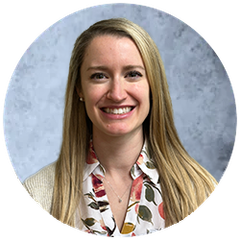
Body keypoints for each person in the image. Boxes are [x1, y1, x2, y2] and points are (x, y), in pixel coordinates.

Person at [23, 18, 218, 238]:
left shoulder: (200, 191)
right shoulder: (38, 194)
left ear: (153, 85)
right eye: (99, 76)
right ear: (79, 88)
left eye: (132, 74)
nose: (116, 94)